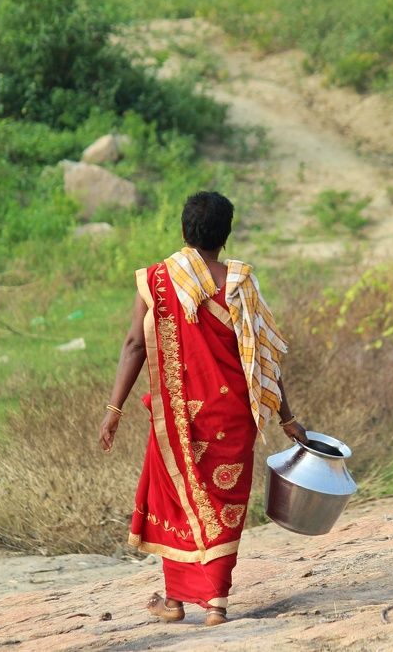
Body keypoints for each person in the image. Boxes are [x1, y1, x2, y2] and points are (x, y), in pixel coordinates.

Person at [98, 191, 307, 626]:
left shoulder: (157, 280)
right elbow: (264, 357)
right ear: (225, 237)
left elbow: (135, 344)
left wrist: (113, 409)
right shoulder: (240, 284)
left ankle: (175, 601)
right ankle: (215, 603)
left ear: (183, 231)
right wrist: (286, 417)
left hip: (179, 417)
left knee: (179, 500)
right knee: (223, 505)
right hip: (233, 418)